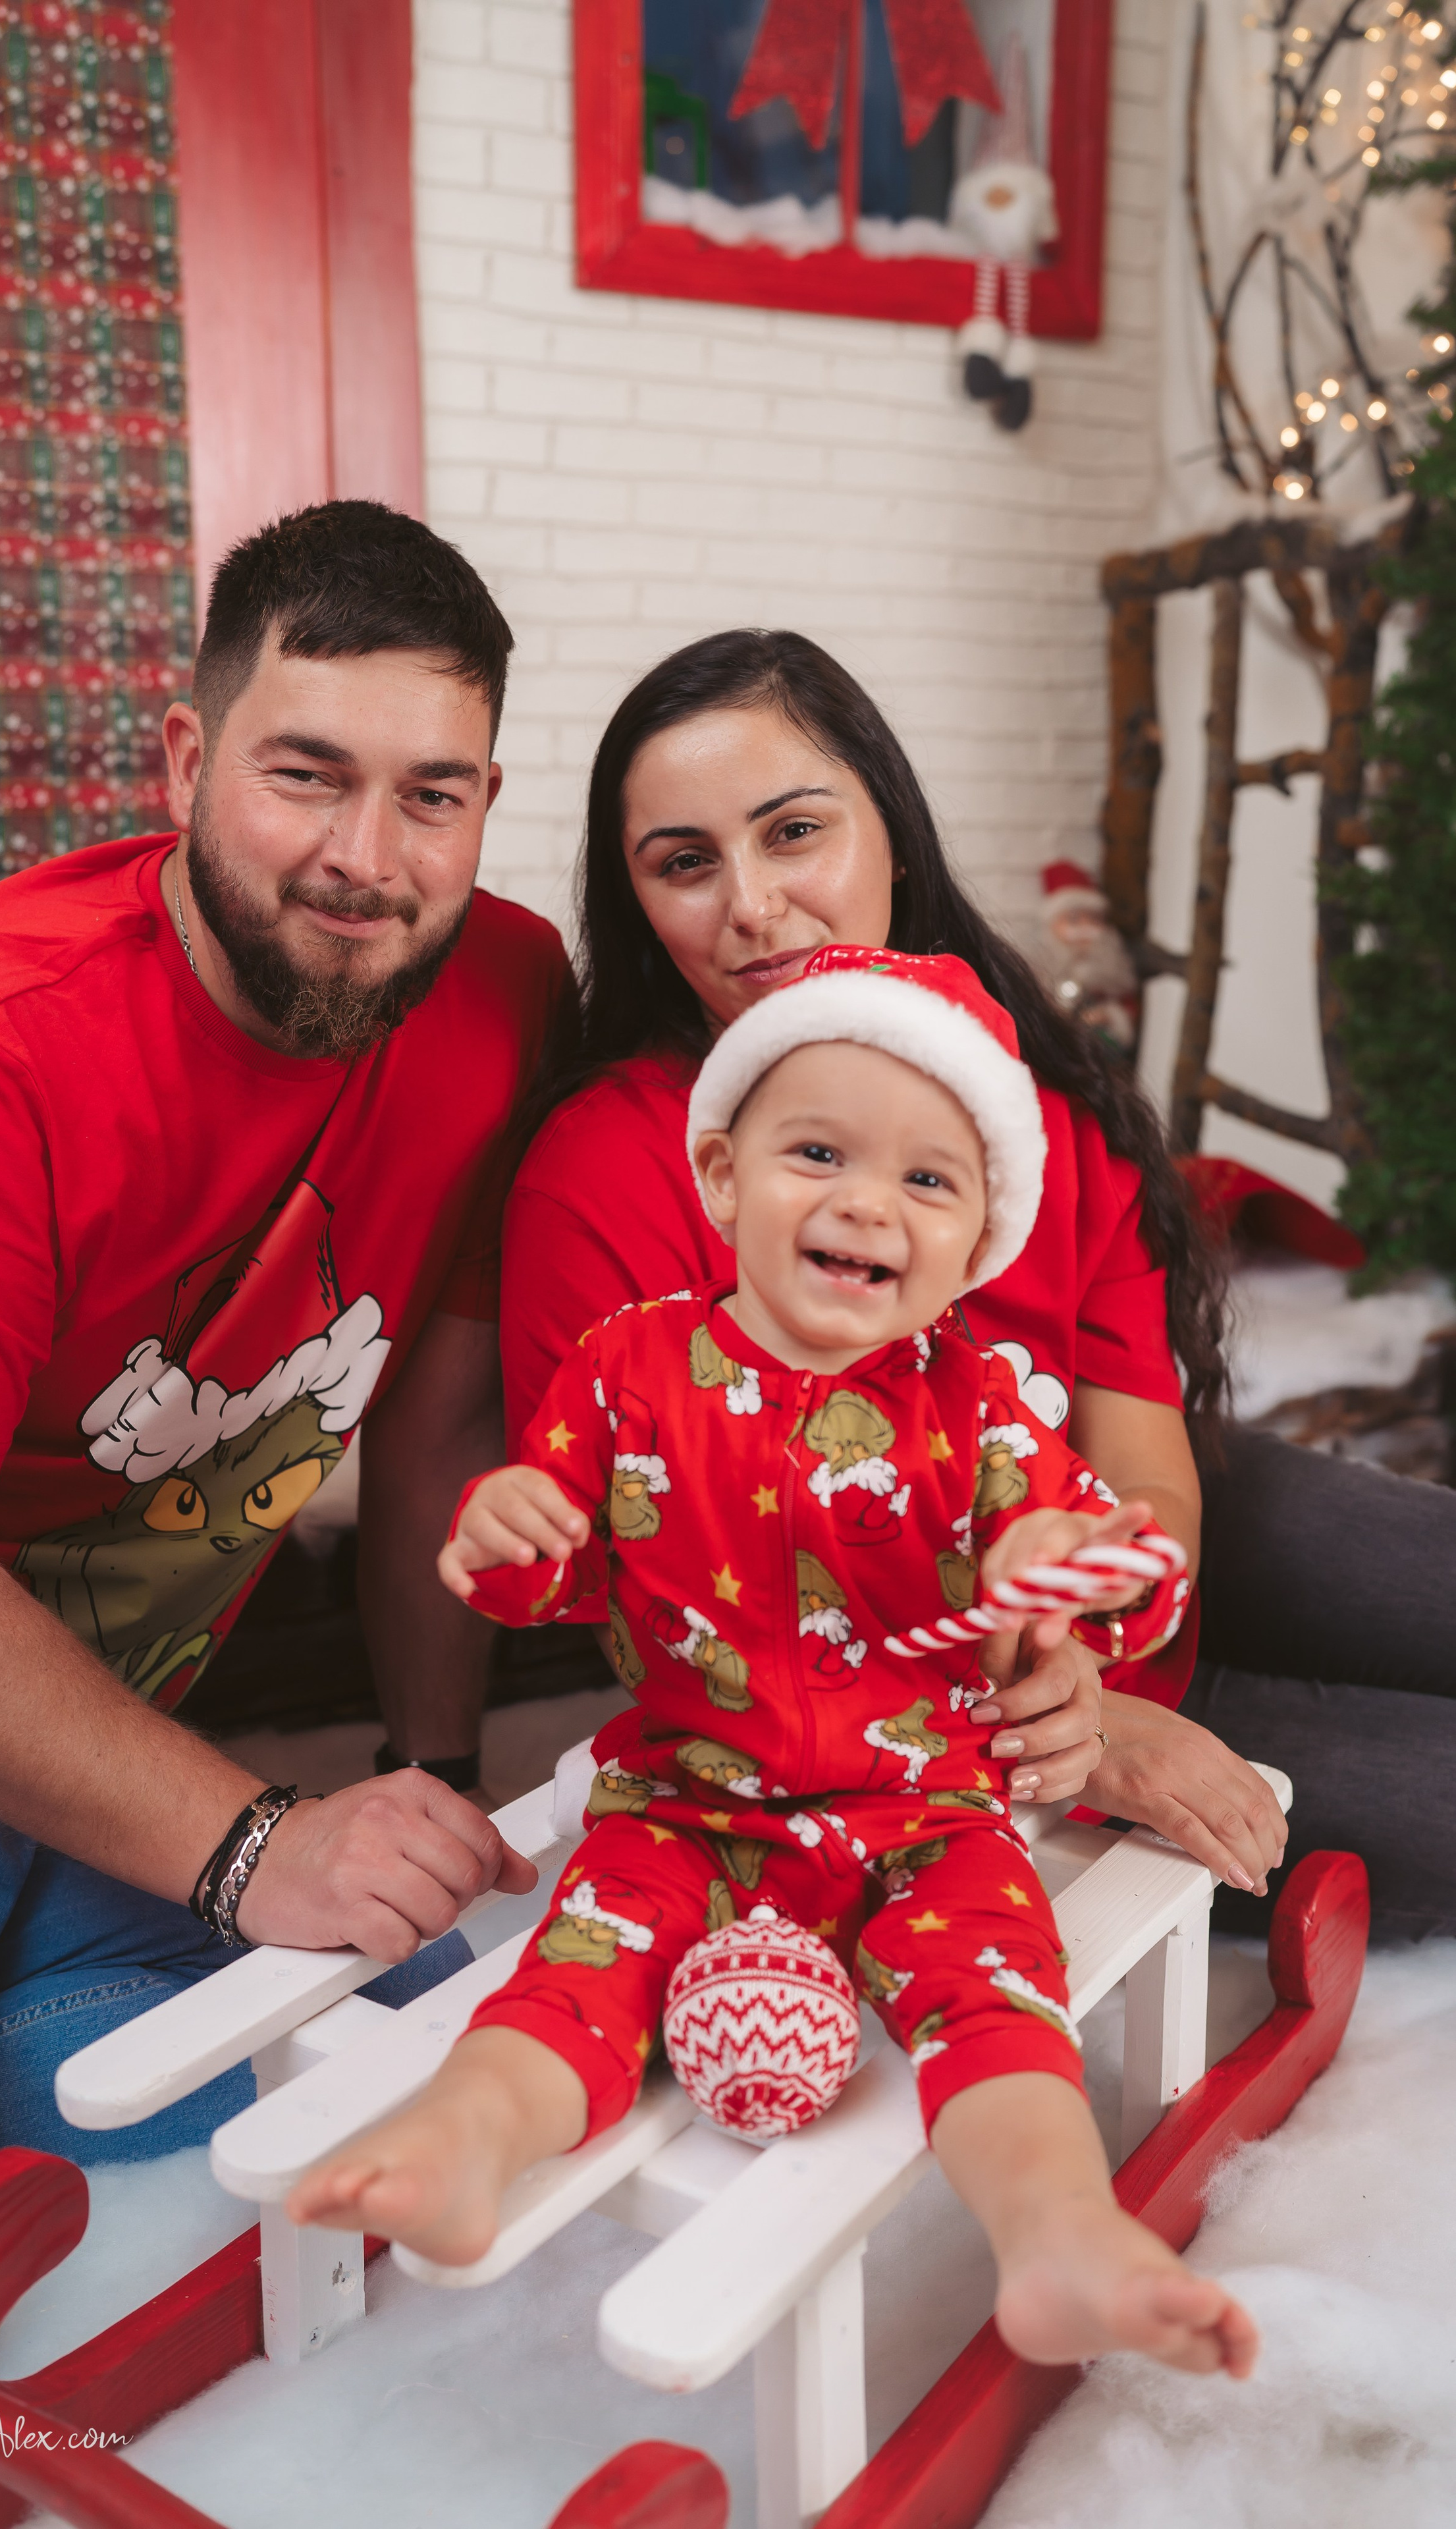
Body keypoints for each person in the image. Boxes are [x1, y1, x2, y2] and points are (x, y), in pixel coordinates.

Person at [0, 501, 567, 2517]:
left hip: (103, 1718)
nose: (366, 858)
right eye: (306, 773)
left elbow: (444, 1409)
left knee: (451, 2028)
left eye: (432, 793)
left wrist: (420, 1775)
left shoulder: (501, 992)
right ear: (186, 760)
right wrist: (248, 1848)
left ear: (486, 805)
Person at [291, 949, 1255, 2383]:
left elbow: (1122, 1596)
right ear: (722, 1177)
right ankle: (465, 2140)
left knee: (1000, 2007)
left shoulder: (981, 1410)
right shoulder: (627, 1371)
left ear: (978, 1242)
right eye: (818, 1154)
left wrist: (1087, 1565)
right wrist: (505, 1530)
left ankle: (1056, 2233)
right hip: (685, 1801)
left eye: (927, 1181)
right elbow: (552, 1580)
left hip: (927, 1816)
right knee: (570, 1980)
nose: (867, 1202)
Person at [497, 629, 1456, 1940]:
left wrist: (1101, 1637)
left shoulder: (1037, 1109)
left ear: (893, 836)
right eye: (684, 862)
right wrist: (1077, 1729)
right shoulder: (604, 1172)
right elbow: (661, 1598)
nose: (751, 906)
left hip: (1121, 1575)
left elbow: (1145, 1460)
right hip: (904, 1739)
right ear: (639, 906)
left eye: (793, 832)